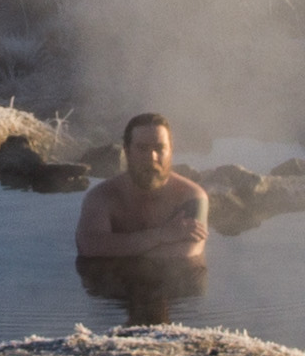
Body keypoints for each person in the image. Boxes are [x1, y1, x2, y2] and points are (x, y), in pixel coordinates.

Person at [72, 112, 210, 324]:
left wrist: (118, 247)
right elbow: (89, 247)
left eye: (159, 148)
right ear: (127, 152)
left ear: (171, 151)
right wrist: (162, 235)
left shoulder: (191, 196)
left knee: (192, 283)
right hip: (115, 290)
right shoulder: (102, 196)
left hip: (174, 287)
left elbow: (184, 254)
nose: (152, 157)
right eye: (142, 148)